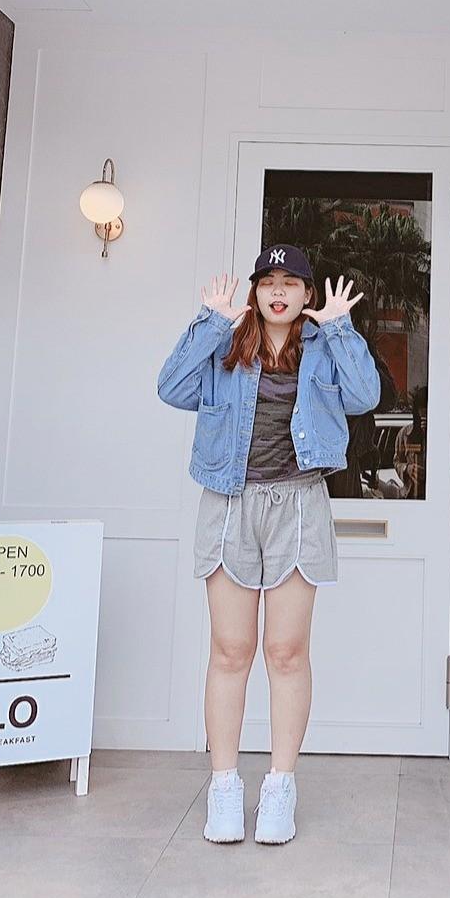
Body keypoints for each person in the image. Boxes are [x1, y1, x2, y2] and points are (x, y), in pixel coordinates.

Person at [156, 243, 381, 846]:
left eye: (290, 282)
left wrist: (340, 328)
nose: (278, 291)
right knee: (231, 651)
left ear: (307, 294)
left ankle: (280, 785)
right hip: (230, 503)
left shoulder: (324, 347)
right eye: (267, 282)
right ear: (255, 293)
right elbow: (170, 387)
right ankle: (224, 785)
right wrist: (210, 322)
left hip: (300, 505)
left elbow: (365, 397)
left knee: (286, 652)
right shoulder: (226, 345)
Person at [393, 385, 427, 499]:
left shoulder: (443, 435)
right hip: (410, 495)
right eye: (421, 414)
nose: (423, 417)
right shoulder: (404, 434)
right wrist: (407, 468)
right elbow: (397, 461)